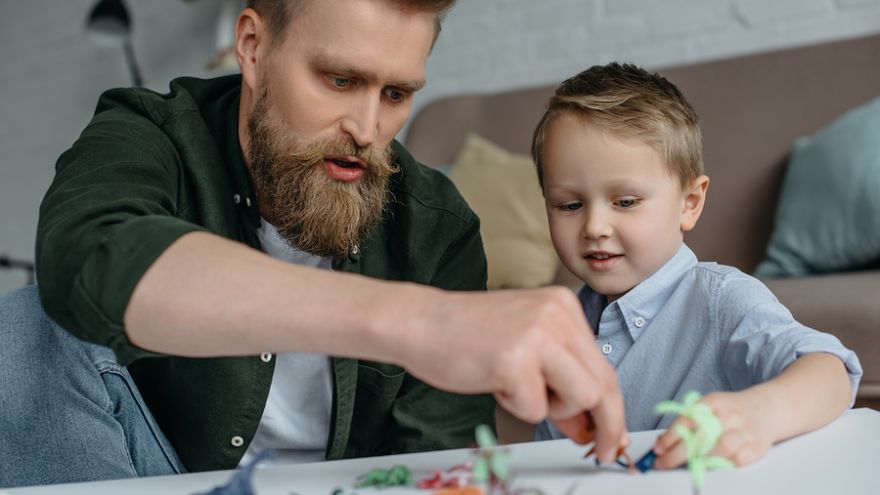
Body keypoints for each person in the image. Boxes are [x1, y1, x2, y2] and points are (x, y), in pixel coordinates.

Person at [0, 0, 627, 488]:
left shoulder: (438, 225)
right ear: (252, 46)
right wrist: (417, 322)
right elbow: (88, 255)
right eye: (338, 80)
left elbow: (434, 461)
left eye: (397, 94)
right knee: (24, 327)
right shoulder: (151, 133)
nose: (366, 127)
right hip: (154, 479)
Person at [530, 62, 862, 468]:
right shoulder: (558, 325)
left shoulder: (720, 299)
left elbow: (830, 372)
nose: (595, 227)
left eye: (626, 202)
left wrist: (760, 414)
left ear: (689, 203)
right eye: (570, 205)